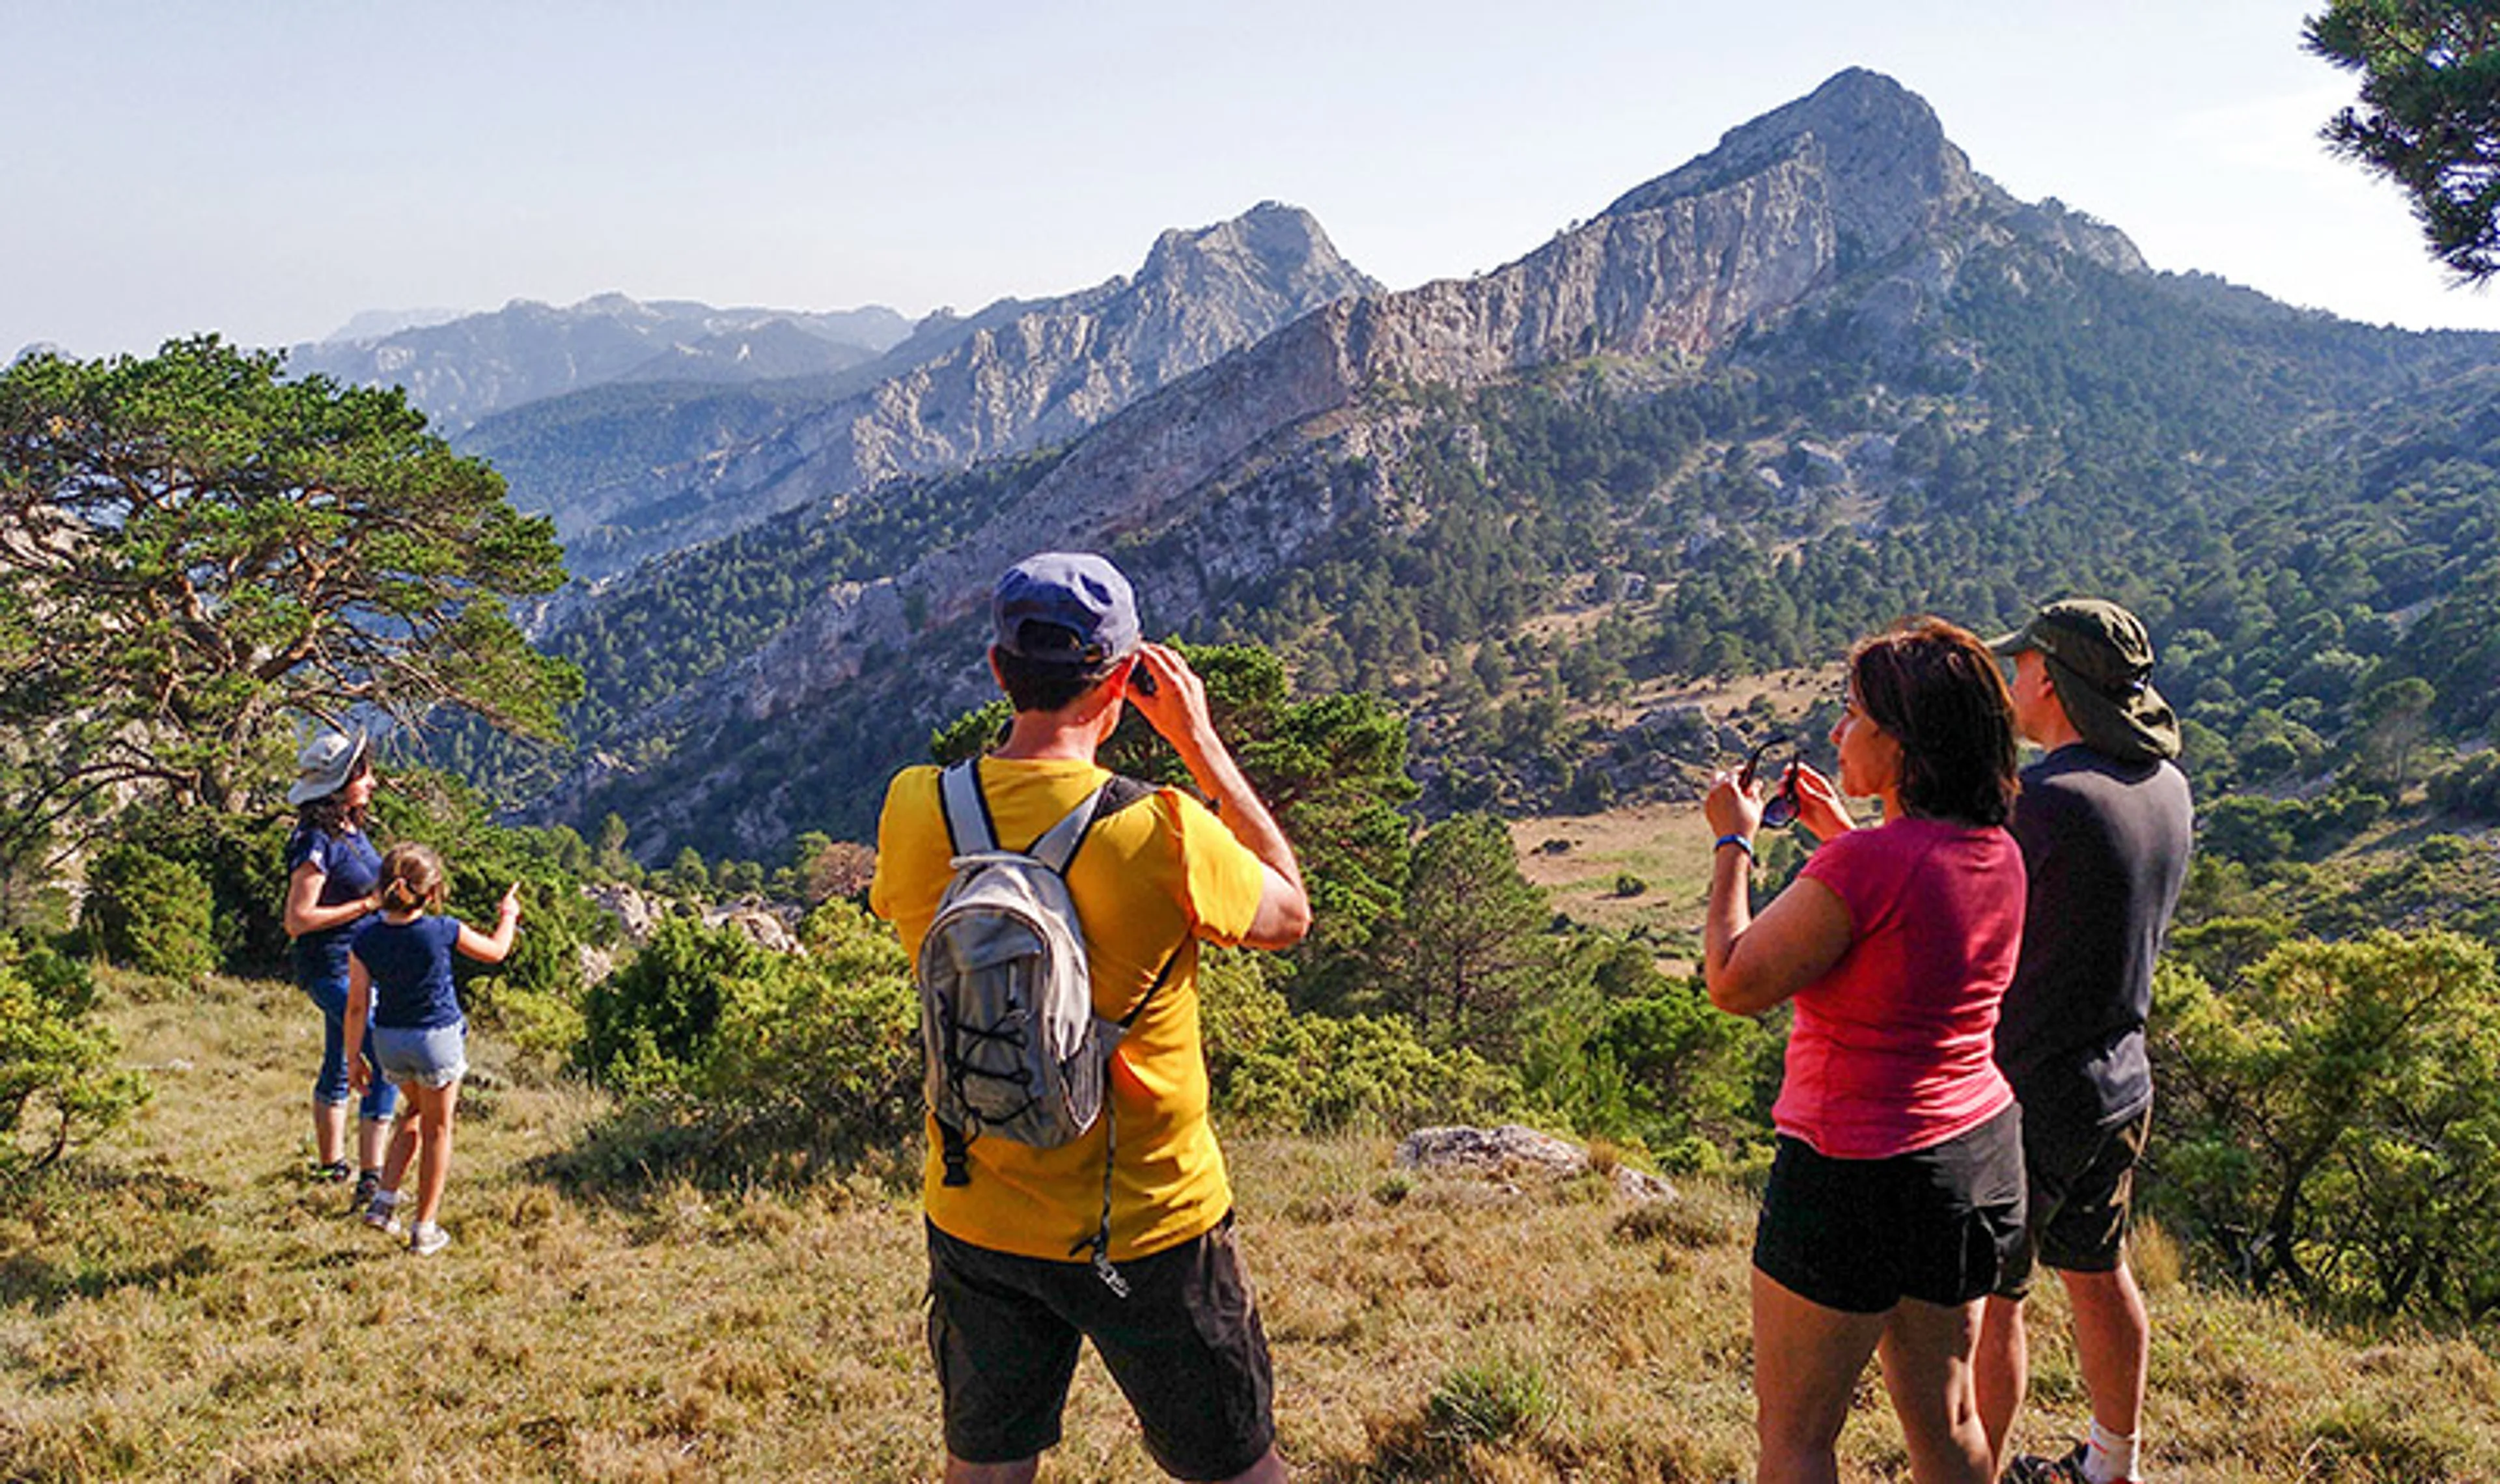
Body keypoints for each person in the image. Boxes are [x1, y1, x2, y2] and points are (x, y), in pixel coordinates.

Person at [870, 552, 1311, 1484]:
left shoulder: (916, 809)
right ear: (1124, 679)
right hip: (1148, 1224)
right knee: (1238, 1468)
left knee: (986, 1468)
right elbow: (1289, 913)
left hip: (975, 1210)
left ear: (998, 671)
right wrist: (1199, 743)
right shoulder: (1165, 830)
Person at [1701, 617, 2029, 1484]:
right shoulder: (1997, 851)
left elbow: (1734, 982)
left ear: (1908, 744)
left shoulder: (1866, 868)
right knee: (1947, 1415)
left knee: (1799, 1436)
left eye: (1854, 715)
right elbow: (1907, 913)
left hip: (1853, 1167)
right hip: (1973, 1158)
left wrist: (1733, 841)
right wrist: (1845, 832)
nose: (1840, 732)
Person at [1977, 601, 2193, 1484]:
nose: (2011, 675)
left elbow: (1955, 912)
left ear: (2052, 681)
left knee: (1990, 1300)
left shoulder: (2050, 803)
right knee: (2100, 1271)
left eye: (2021, 661)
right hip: (2118, 1078)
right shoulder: (2164, 786)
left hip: (2031, 1087)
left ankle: (1970, 1470)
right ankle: (2113, 1466)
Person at [343, 842, 520, 1257]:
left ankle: (384, 1202)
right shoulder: (443, 930)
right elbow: (496, 951)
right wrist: (508, 916)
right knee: (437, 1130)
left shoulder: (365, 937)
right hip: (436, 1039)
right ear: (433, 891)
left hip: (389, 1040)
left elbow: (355, 1005)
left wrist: (353, 1059)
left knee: (415, 1111)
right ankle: (425, 1229)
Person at [280, 730, 396, 1204]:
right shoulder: (314, 840)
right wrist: (368, 905)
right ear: (339, 783)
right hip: (333, 969)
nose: (371, 781)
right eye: (362, 773)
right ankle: (373, 1175)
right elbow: (297, 919)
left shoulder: (350, 829)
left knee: (338, 1062)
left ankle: (333, 1169)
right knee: (381, 1054)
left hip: (359, 966)